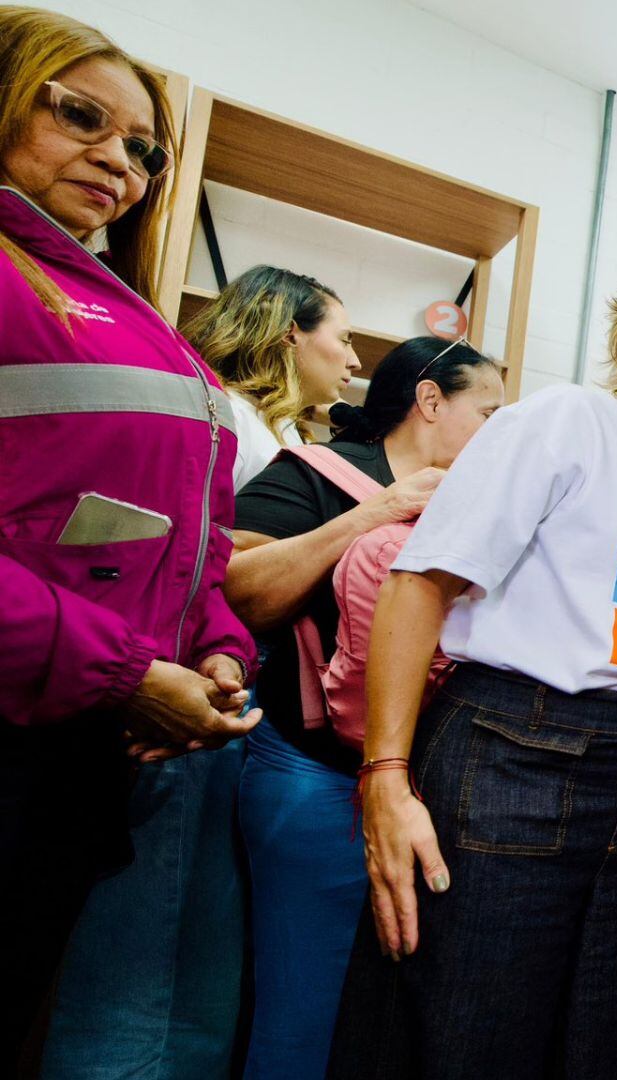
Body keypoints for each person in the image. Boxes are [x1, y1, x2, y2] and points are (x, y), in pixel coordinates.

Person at [330, 234, 617, 1080]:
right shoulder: (569, 420)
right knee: (467, 1039)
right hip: (517, 761)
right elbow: (416, 586)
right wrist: (385, 775)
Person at [0, 7, 257, 1069]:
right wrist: (124, 671)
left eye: (144, 148)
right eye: (79, 116)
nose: (119, 159)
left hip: (76, 746)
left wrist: (217, 648)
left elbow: (191, 537)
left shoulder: (121, 302)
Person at [43, 264, 363, 1079]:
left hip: (216, 687)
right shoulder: (230, 423)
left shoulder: (281, 436)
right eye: (341, 333)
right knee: (151, 959)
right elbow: (211, 567)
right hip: (171, 693)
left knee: (195, 952)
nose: (352, 354)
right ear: (292, 330)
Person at [225, 336, 501, 1080]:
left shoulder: (481, 508)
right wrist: (373, 513)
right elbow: (236, 590)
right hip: (313, 777)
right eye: (490, 410)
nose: (501, 432)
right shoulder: (314, 474)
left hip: (430, 789)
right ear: (432, 401)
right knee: (304, 1005)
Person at [182, 263, 361, 487]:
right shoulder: (230, 421)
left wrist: (342, 415)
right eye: (344, 340)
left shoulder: (285, 427)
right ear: (289, 335)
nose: (355, 362)